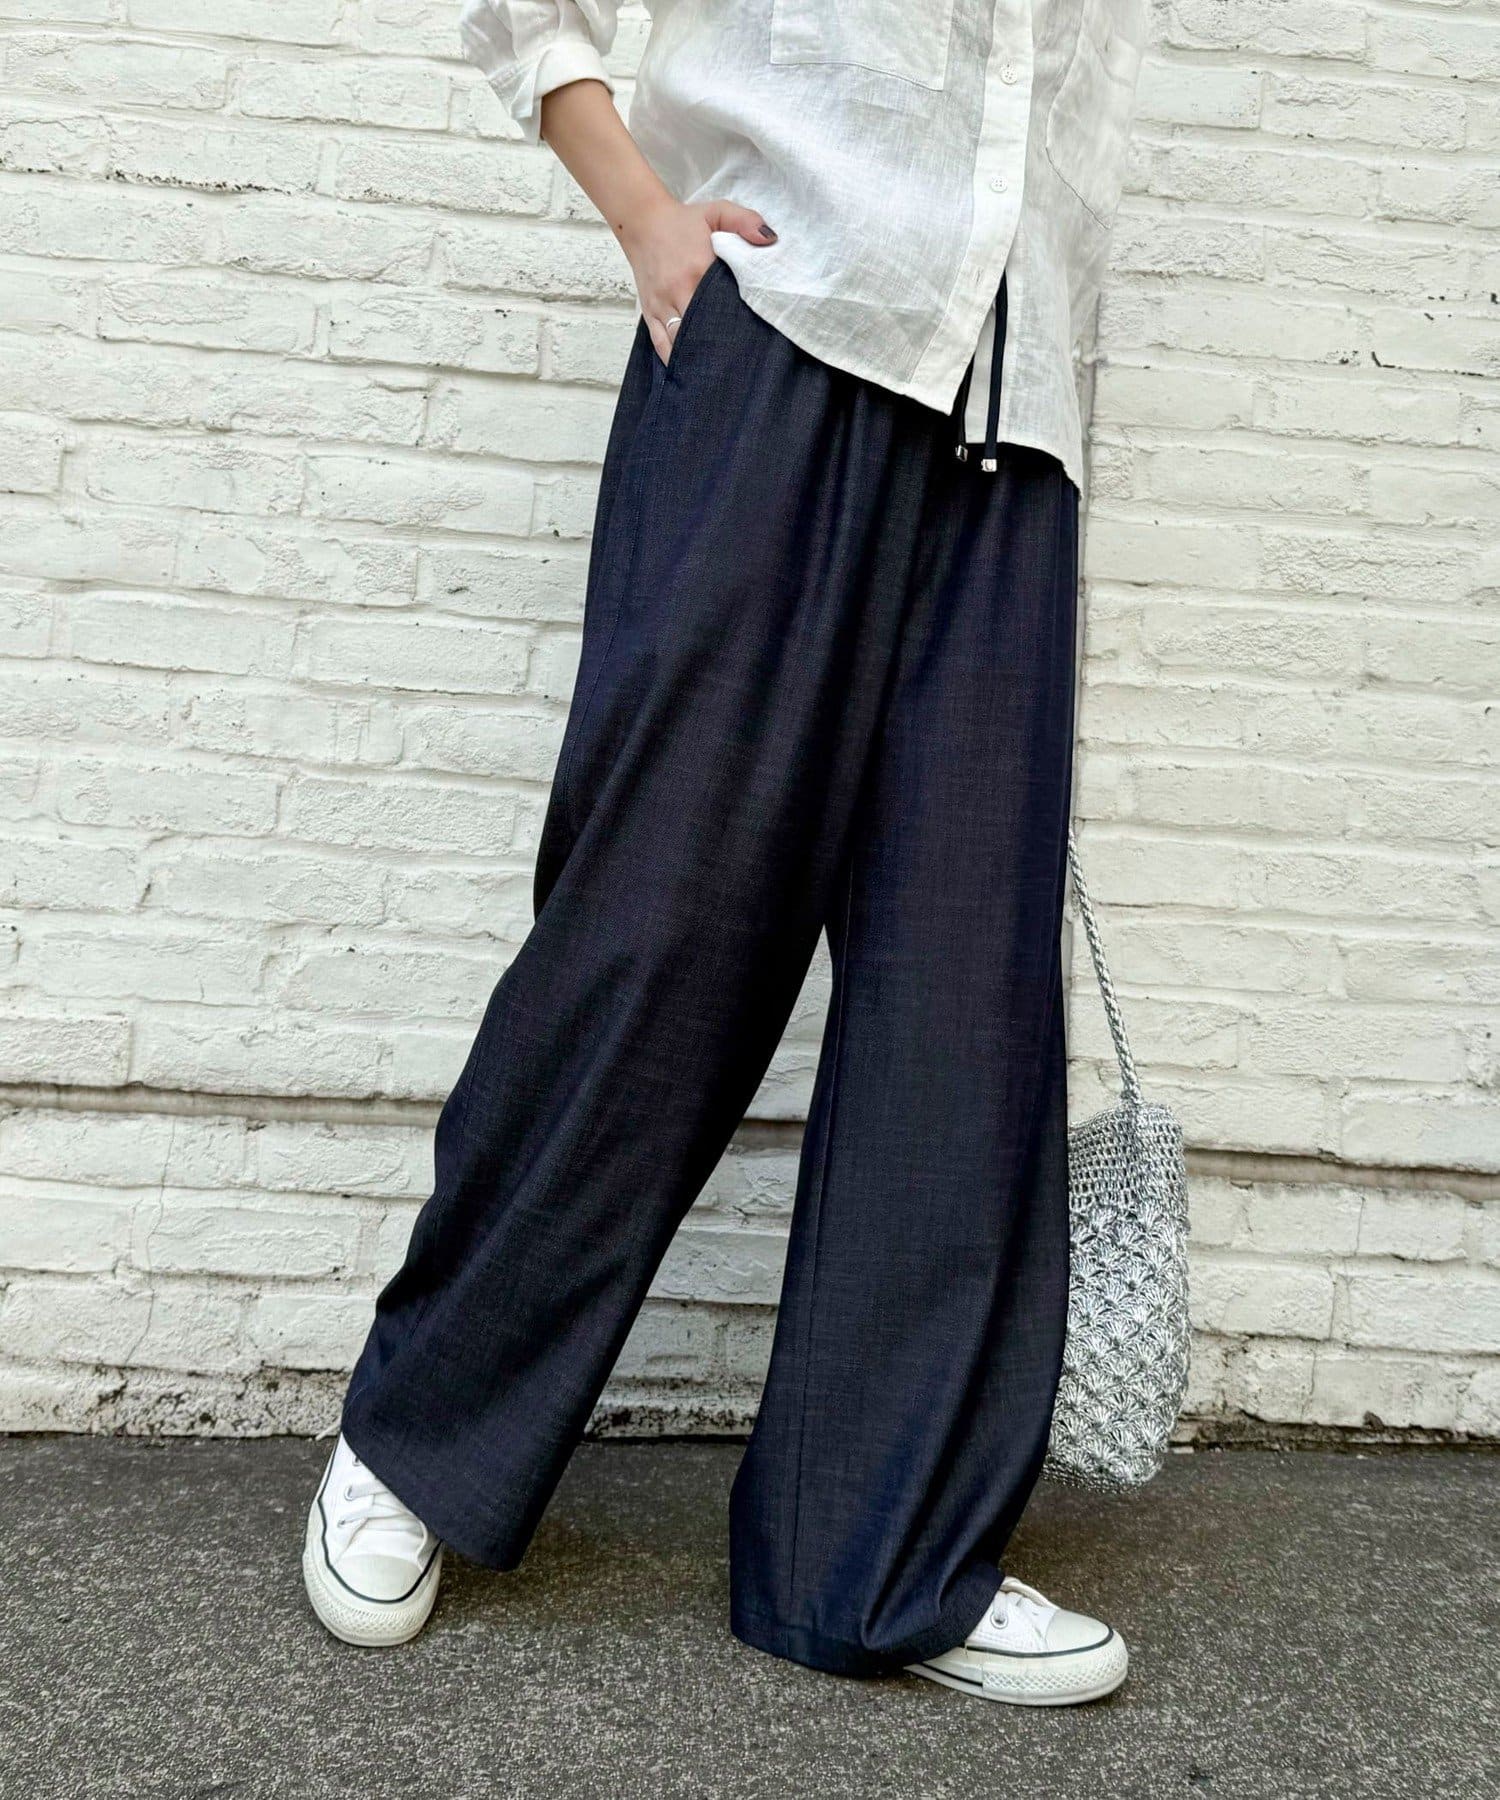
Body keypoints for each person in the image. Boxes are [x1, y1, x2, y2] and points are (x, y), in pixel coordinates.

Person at [301, 0, 1147, 1706]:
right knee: (660, 918)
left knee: (961, 994)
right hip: (790, 330)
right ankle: (421, 1433)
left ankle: (880, 1556)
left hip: (1012, 404)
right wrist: (645, 214)